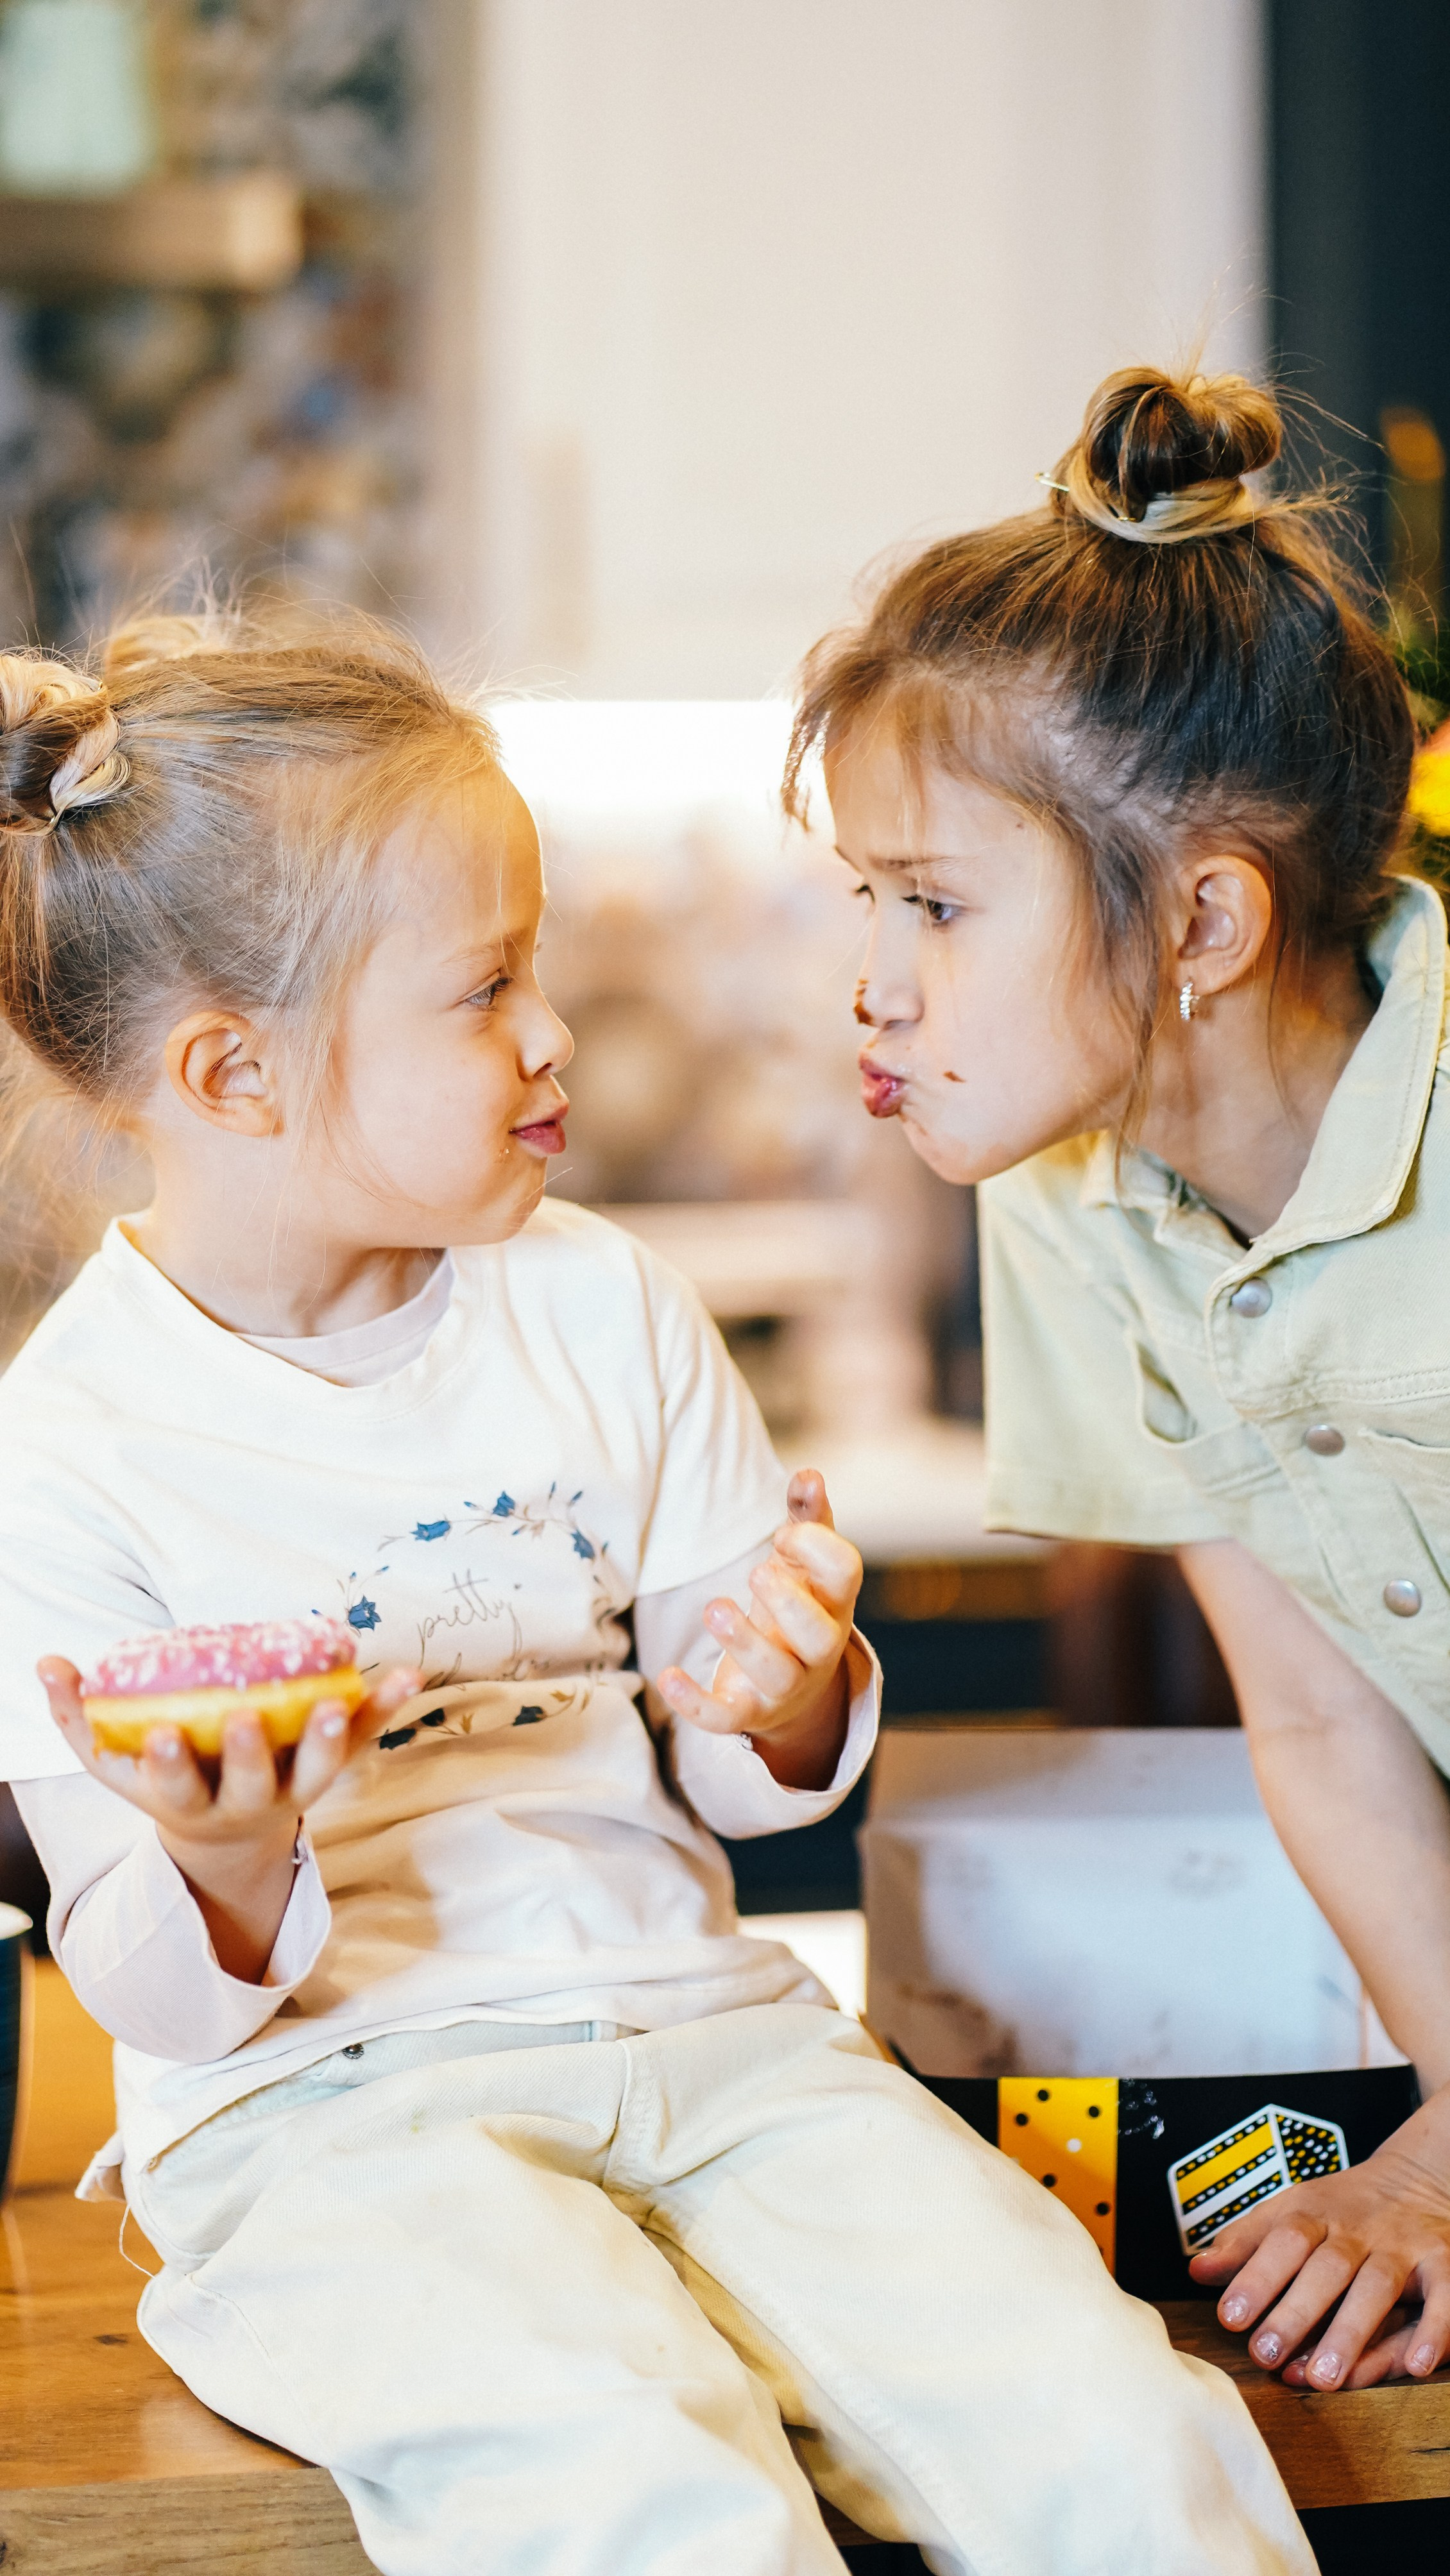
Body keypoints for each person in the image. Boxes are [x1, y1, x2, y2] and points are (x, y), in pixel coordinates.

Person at [0, 611, 1307, 2575]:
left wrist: (782, 1693)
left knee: (1123, 2442)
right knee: (651, 2504)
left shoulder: (598, 1305)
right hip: (332, 2124)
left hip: (718, 2046)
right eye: (484, 987)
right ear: (231, 1073)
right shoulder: (65, 1454)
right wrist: (235, 1854)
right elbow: (150, 1990)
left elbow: (745, 1777)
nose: (554, 1036)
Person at [791, 362, 1450, 2401]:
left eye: (933, 905)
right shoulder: (1072, 1191)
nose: (870, 983)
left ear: (1204, 925)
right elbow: (1324, 1725)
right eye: (864, 900)